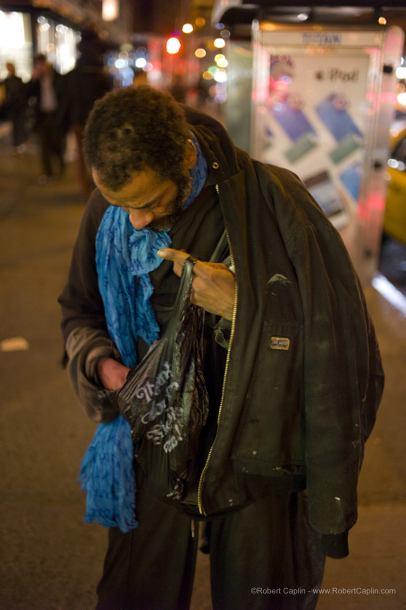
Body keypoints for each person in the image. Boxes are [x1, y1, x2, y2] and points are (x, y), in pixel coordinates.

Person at [58, 85, 384, 610]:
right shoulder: (110, 206)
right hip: (151, 443)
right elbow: (79, 309)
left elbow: (343, 344)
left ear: (185, 157)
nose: (134, 221)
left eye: (146, 203)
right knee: (135, 594)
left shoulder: (274, 200)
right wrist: (101, 364)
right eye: (121, 206)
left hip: (259, 452)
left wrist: (242, 307)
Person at [64, 30, 112, 199]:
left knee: (81, 153)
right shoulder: (99, 72)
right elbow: (107, 97)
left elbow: (68, 97)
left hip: (78, 118)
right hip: (97, 119)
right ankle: (95, 186)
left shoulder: (75, 74)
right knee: (97, 154)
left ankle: (84, 188)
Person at [26, 53, 67, 184]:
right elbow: (26, 94)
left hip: (56, 116)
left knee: (57, 145)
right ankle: (47, 173)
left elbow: (64, 95)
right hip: (42, 117)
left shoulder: (57, 78)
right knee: (43, 146)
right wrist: (33, 79)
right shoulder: (37, 81)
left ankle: (60, 166)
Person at [0, 62, 27, 153]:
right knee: (15, 125)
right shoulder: (6, 81)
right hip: (12, 107)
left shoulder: (18, 80)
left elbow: (22, 93)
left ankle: (21, 142)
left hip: (19, 106)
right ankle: (16, 144)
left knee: (20, 124)